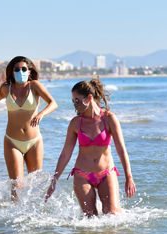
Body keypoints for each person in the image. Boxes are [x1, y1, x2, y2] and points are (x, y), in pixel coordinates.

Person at [0, 56, 58, 200]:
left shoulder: (34, 86)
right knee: (17, 186)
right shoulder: (6, 88)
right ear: (12, 71)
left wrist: (41, 114)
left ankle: (31, 216)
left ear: (29, 71)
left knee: (35, 184)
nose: (20, 71)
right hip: (12, 141)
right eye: (17, 69)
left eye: (23, 69)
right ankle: (11, 216)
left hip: (34, 142)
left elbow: (53, 103)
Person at [45, 79, 136, 217]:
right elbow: (65, 154)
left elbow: (121, 150)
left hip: (106, 173)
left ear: (89, 98)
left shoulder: (109, 119)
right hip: (82, 175)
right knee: (90, 218)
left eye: (77, 100)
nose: (75, 105)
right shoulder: (75, 123)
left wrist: (129, 177)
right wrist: (54, 180)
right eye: (73, 101)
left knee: (112, 215)